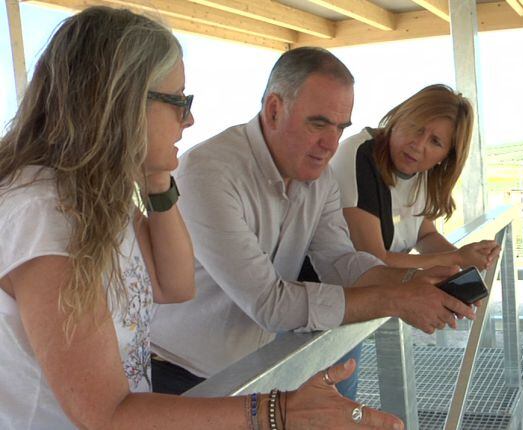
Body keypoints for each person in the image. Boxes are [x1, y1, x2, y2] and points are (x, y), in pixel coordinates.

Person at [0, 7, 401, 429]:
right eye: (178, 101)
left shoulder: (102, 200)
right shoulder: (45, 214)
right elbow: (107, 414)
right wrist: (279, 412)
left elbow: (175, 286)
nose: (188, 119)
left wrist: (157, 178)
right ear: (119, 102)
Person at [151, 47, 477, 400]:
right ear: (274, 109)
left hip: (254, 371)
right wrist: (398, 299)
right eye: (318, 123)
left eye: (340, 128)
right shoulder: (209, 173)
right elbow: (270, 303)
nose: (331, 143)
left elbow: (340, 261)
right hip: (177, 378)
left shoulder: (318, 179)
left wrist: (416, 281)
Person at [331, 84, 501, 271]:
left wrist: (467, 261)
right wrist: (456, 258)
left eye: (435, 141)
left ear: (446, 156)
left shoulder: (421, 169)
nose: (418, 145)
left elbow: (424, 236)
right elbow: (374, 261)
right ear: (398, 118)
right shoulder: (358, 155)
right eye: (415, 127)